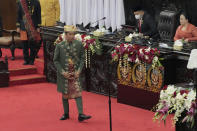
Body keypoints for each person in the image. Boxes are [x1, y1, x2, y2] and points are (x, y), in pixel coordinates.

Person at [53, 25, 91, 122]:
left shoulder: (79, 44)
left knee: (78, 92)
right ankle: (66, 114)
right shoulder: (59, 46)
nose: (72, 36)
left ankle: (81, 114)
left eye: (73, 34)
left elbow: (82, 58)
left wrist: (79, 70)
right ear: (65, 35)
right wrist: (62, 72)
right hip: (64, 74)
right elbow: (56, 60)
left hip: (75, 73)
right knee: (65, 94)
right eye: (70, 34)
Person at [16, 0, 41, 65]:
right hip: (23, 26)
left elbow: (38, 14)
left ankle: (32, 60)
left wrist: (38, 26)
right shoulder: (21, 2)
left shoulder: (36, 2)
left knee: (33, 44)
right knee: (24, 44)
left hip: (33, 27)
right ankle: (26, 60)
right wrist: (18, 26)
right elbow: (18, 15)